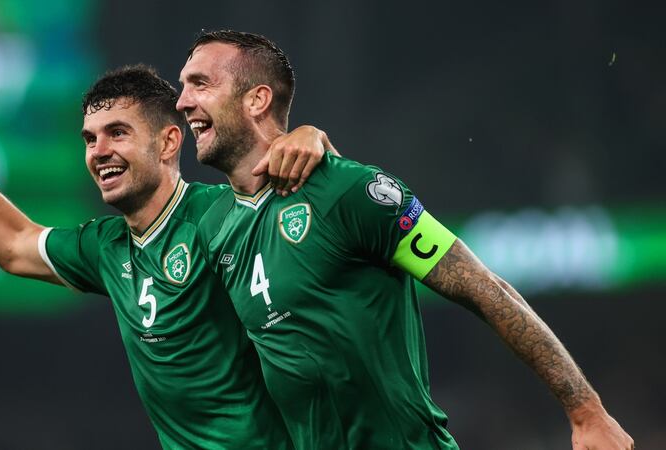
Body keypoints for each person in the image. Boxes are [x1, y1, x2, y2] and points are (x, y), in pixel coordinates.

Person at [177, 30, 635, 449]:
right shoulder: (214, 225)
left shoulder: (348, 190)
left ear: (257, 99)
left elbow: (485, 289)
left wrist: (586, 412)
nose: (182, 101)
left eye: (200, 84)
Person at [0, 64, 338, 449]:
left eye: (118, 133)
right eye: (90, 138)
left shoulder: (223, 214)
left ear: (168, 143)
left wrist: (312, 141)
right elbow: (12, 244)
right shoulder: (105, 246)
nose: (99, 151)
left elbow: (324, 220)